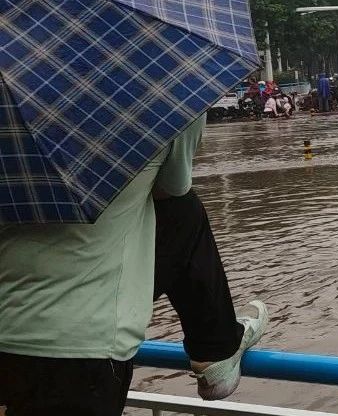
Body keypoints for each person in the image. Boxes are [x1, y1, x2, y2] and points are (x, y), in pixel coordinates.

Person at [0, 114, 268, 414]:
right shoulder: (163, 87)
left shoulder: (9, 102)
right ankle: (215, 351)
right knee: (183, 210)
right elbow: (172, 189)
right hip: (84, 346)